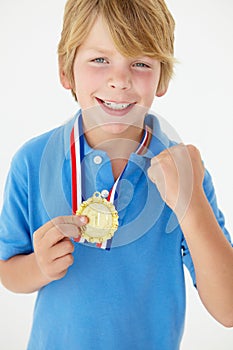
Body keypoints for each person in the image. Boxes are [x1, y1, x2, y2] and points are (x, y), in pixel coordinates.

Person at [0, 0, 232, 349]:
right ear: (66, 72)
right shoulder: (32, 162)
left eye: (140, 63)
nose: (120, 81)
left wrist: (192, 204)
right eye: (100, 60)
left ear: (162, 78)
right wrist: (39, 268)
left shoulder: (185, 173)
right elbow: (7, 270)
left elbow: (228, 309)